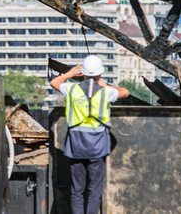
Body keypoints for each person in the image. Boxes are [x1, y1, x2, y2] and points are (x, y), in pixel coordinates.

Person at [50, 55, 129, 214]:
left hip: (76, 145)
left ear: (83, 73)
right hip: (97, 145)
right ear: (100, 73)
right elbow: (125, 92)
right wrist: (104, 83)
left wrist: (69, 74)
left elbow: (54, 83)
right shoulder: (106, 92)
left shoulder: (72, 89)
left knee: (77, 189)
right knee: (94, 189)